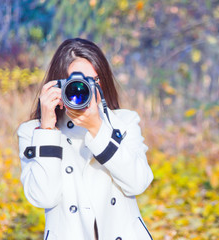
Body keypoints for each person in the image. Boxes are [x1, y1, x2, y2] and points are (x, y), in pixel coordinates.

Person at [17, 38, 154, 240]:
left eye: (94, 81)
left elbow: (138, 183)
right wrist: (47, 129)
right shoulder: (33, 132)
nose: (84, 90)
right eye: (76, 83)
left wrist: (97, 128)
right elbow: (43, 197)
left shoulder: (124, 121)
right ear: (58, 86)